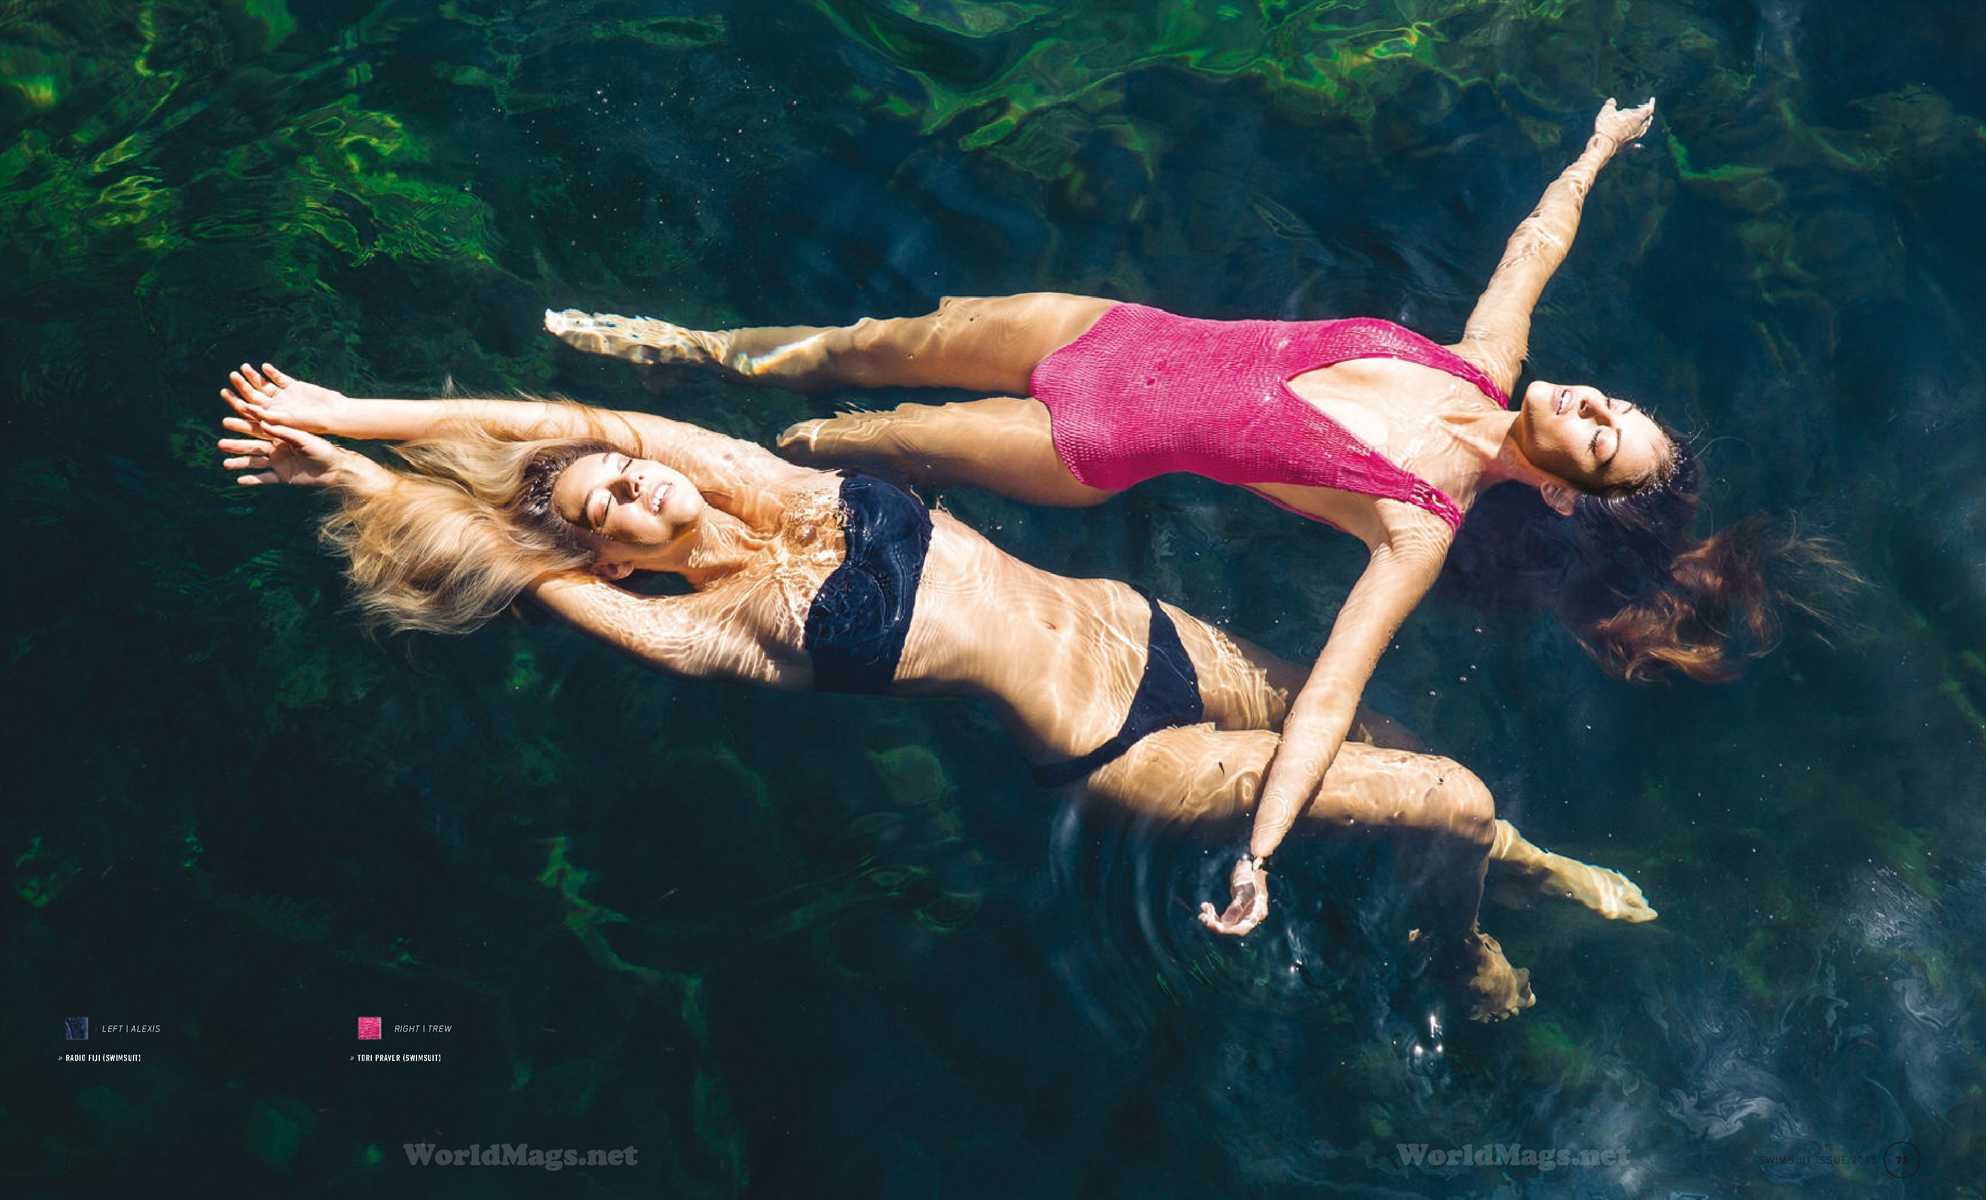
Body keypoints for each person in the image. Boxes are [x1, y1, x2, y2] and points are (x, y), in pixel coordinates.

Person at [541, 97, 1777, 938]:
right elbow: (1534, 242)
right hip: (1107, 331)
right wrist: (1601, 151)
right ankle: (692, 348)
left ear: (1564, 485)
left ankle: (694, 493)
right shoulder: (1481, 361)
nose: (1590, 402)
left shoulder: (1421, 523)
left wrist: (1264, 852)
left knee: (848, 444)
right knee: (873, 345)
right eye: (1612, 401)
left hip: (1086, 442)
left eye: (1602, 435)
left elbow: (1336, 693)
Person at [217, 365, 1656, 1021]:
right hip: (1118, 749)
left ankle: (1521, 866)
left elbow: (551, 422)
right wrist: (354, 490)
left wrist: (348, 417)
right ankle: (1466, 959)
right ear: (613, 552)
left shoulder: (755, 481)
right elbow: (515, 561)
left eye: (633, 465)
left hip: (1152, 631)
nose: (639, 472)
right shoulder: (702, 629)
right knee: (1448, 799)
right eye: (616, 497)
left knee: (1396, 753)